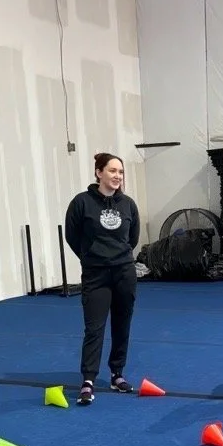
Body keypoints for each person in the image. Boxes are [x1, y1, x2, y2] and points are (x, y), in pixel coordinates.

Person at [64, 153, 141, 406]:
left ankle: (117, 374)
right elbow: (73, 236)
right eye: (112, 171)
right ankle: (88, 380)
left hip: (124, 273)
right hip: (96, 275)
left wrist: (118, 257)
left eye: (120, 172)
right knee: (94, 328)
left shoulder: (128, 204)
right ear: (99, 173)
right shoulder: (81, 203)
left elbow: (132, 238)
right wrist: (92, 256)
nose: (117, 176)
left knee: (122, 324)